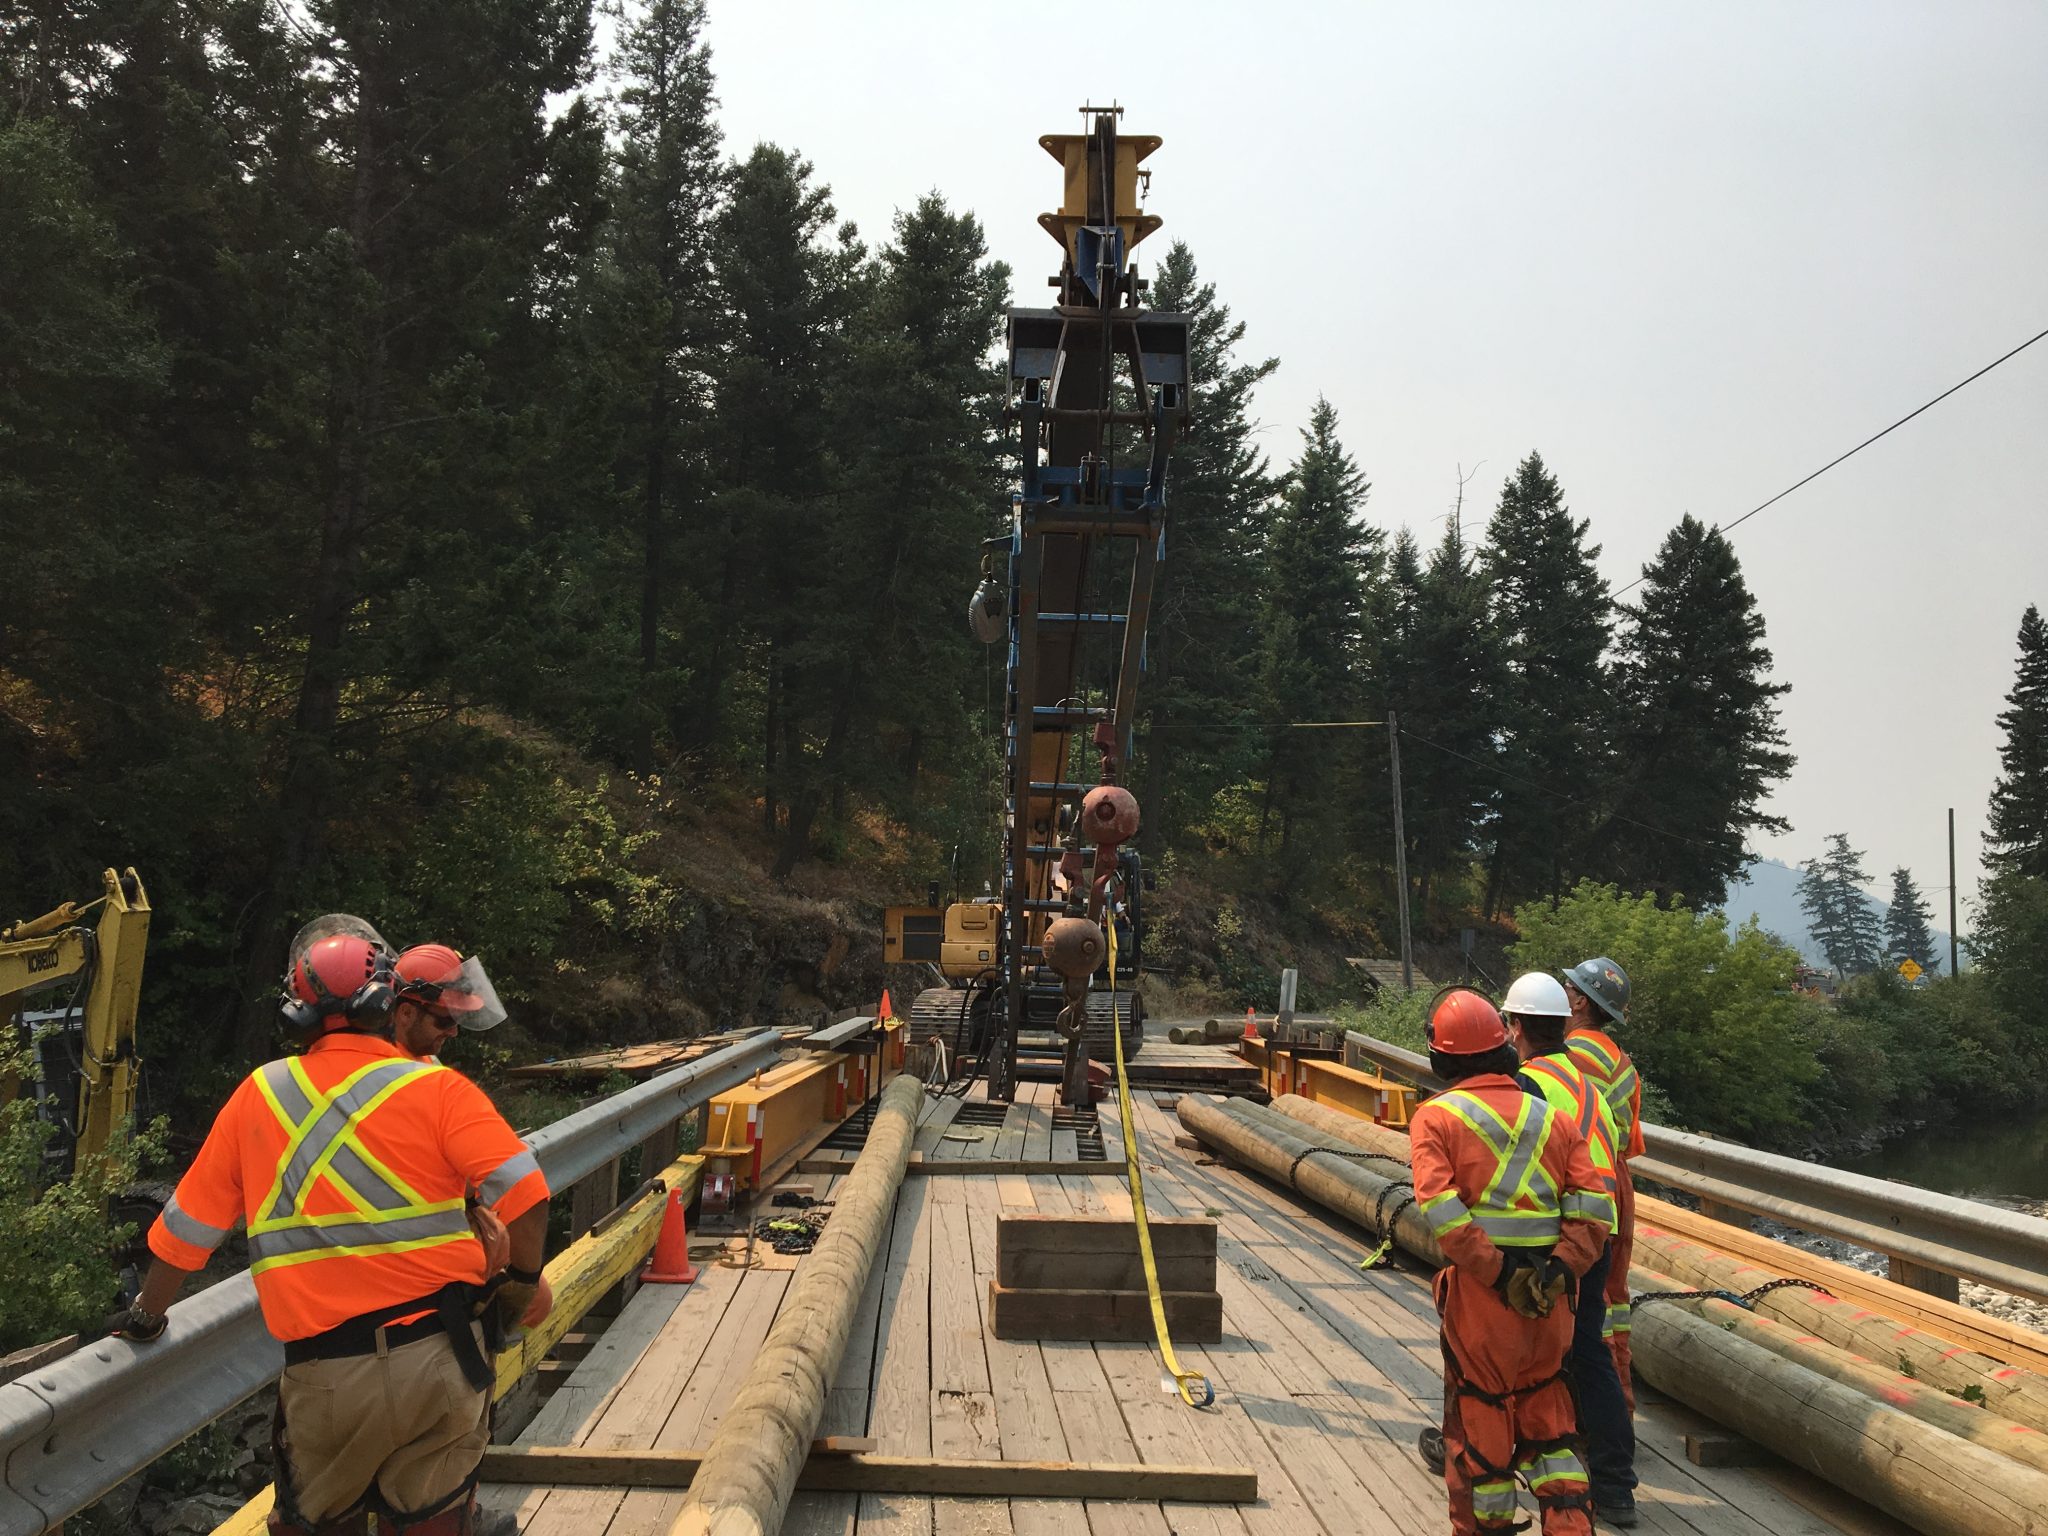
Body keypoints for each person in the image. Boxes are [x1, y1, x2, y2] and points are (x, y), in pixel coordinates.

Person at [112, 917, 554, 1536]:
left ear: (297, 1013)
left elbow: (185, 1233)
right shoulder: (439, 1089)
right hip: (441, 1355)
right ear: (386, 1002)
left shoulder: (257, 1095)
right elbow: (528, 1196)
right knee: (437, 1516)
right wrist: (520, 1281)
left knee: (316, 1521)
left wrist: (146, 1317)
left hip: (328, 1375)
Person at [1411, 987, 1611, 1536]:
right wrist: (1560, 1270)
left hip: (1484, 1299)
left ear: (1441, 1054)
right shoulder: (1553, 1119)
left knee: (1481, 1422)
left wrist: (1499, 1273)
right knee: (1551, 1424)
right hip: (1551, 1301)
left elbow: (1444, 1213)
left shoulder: (1437, 1118)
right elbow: (1594, 1209)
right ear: (1502, 1045)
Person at [1504, 971, 1638, 1528]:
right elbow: (1619, 1150)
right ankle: (1614, 1487)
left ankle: (1489, 1453)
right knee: (1589, 1354)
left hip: (1559, 1232)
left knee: (1507, 1345)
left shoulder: (1527, 1083)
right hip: (1602, 1229)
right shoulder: (1589, 1084)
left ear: (1516, 1028)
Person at [1563, 957, 1642, 1406]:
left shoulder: (1567, 1055)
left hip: (1584, 1178)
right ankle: (1620, 1410)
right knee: (1614, 1301)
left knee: (1581, 1305)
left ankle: (1587, 1413)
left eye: (1568, 987)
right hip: (1617, 1181)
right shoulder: (1623, 1063)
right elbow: (1630, 1137)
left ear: (1578, 1000)